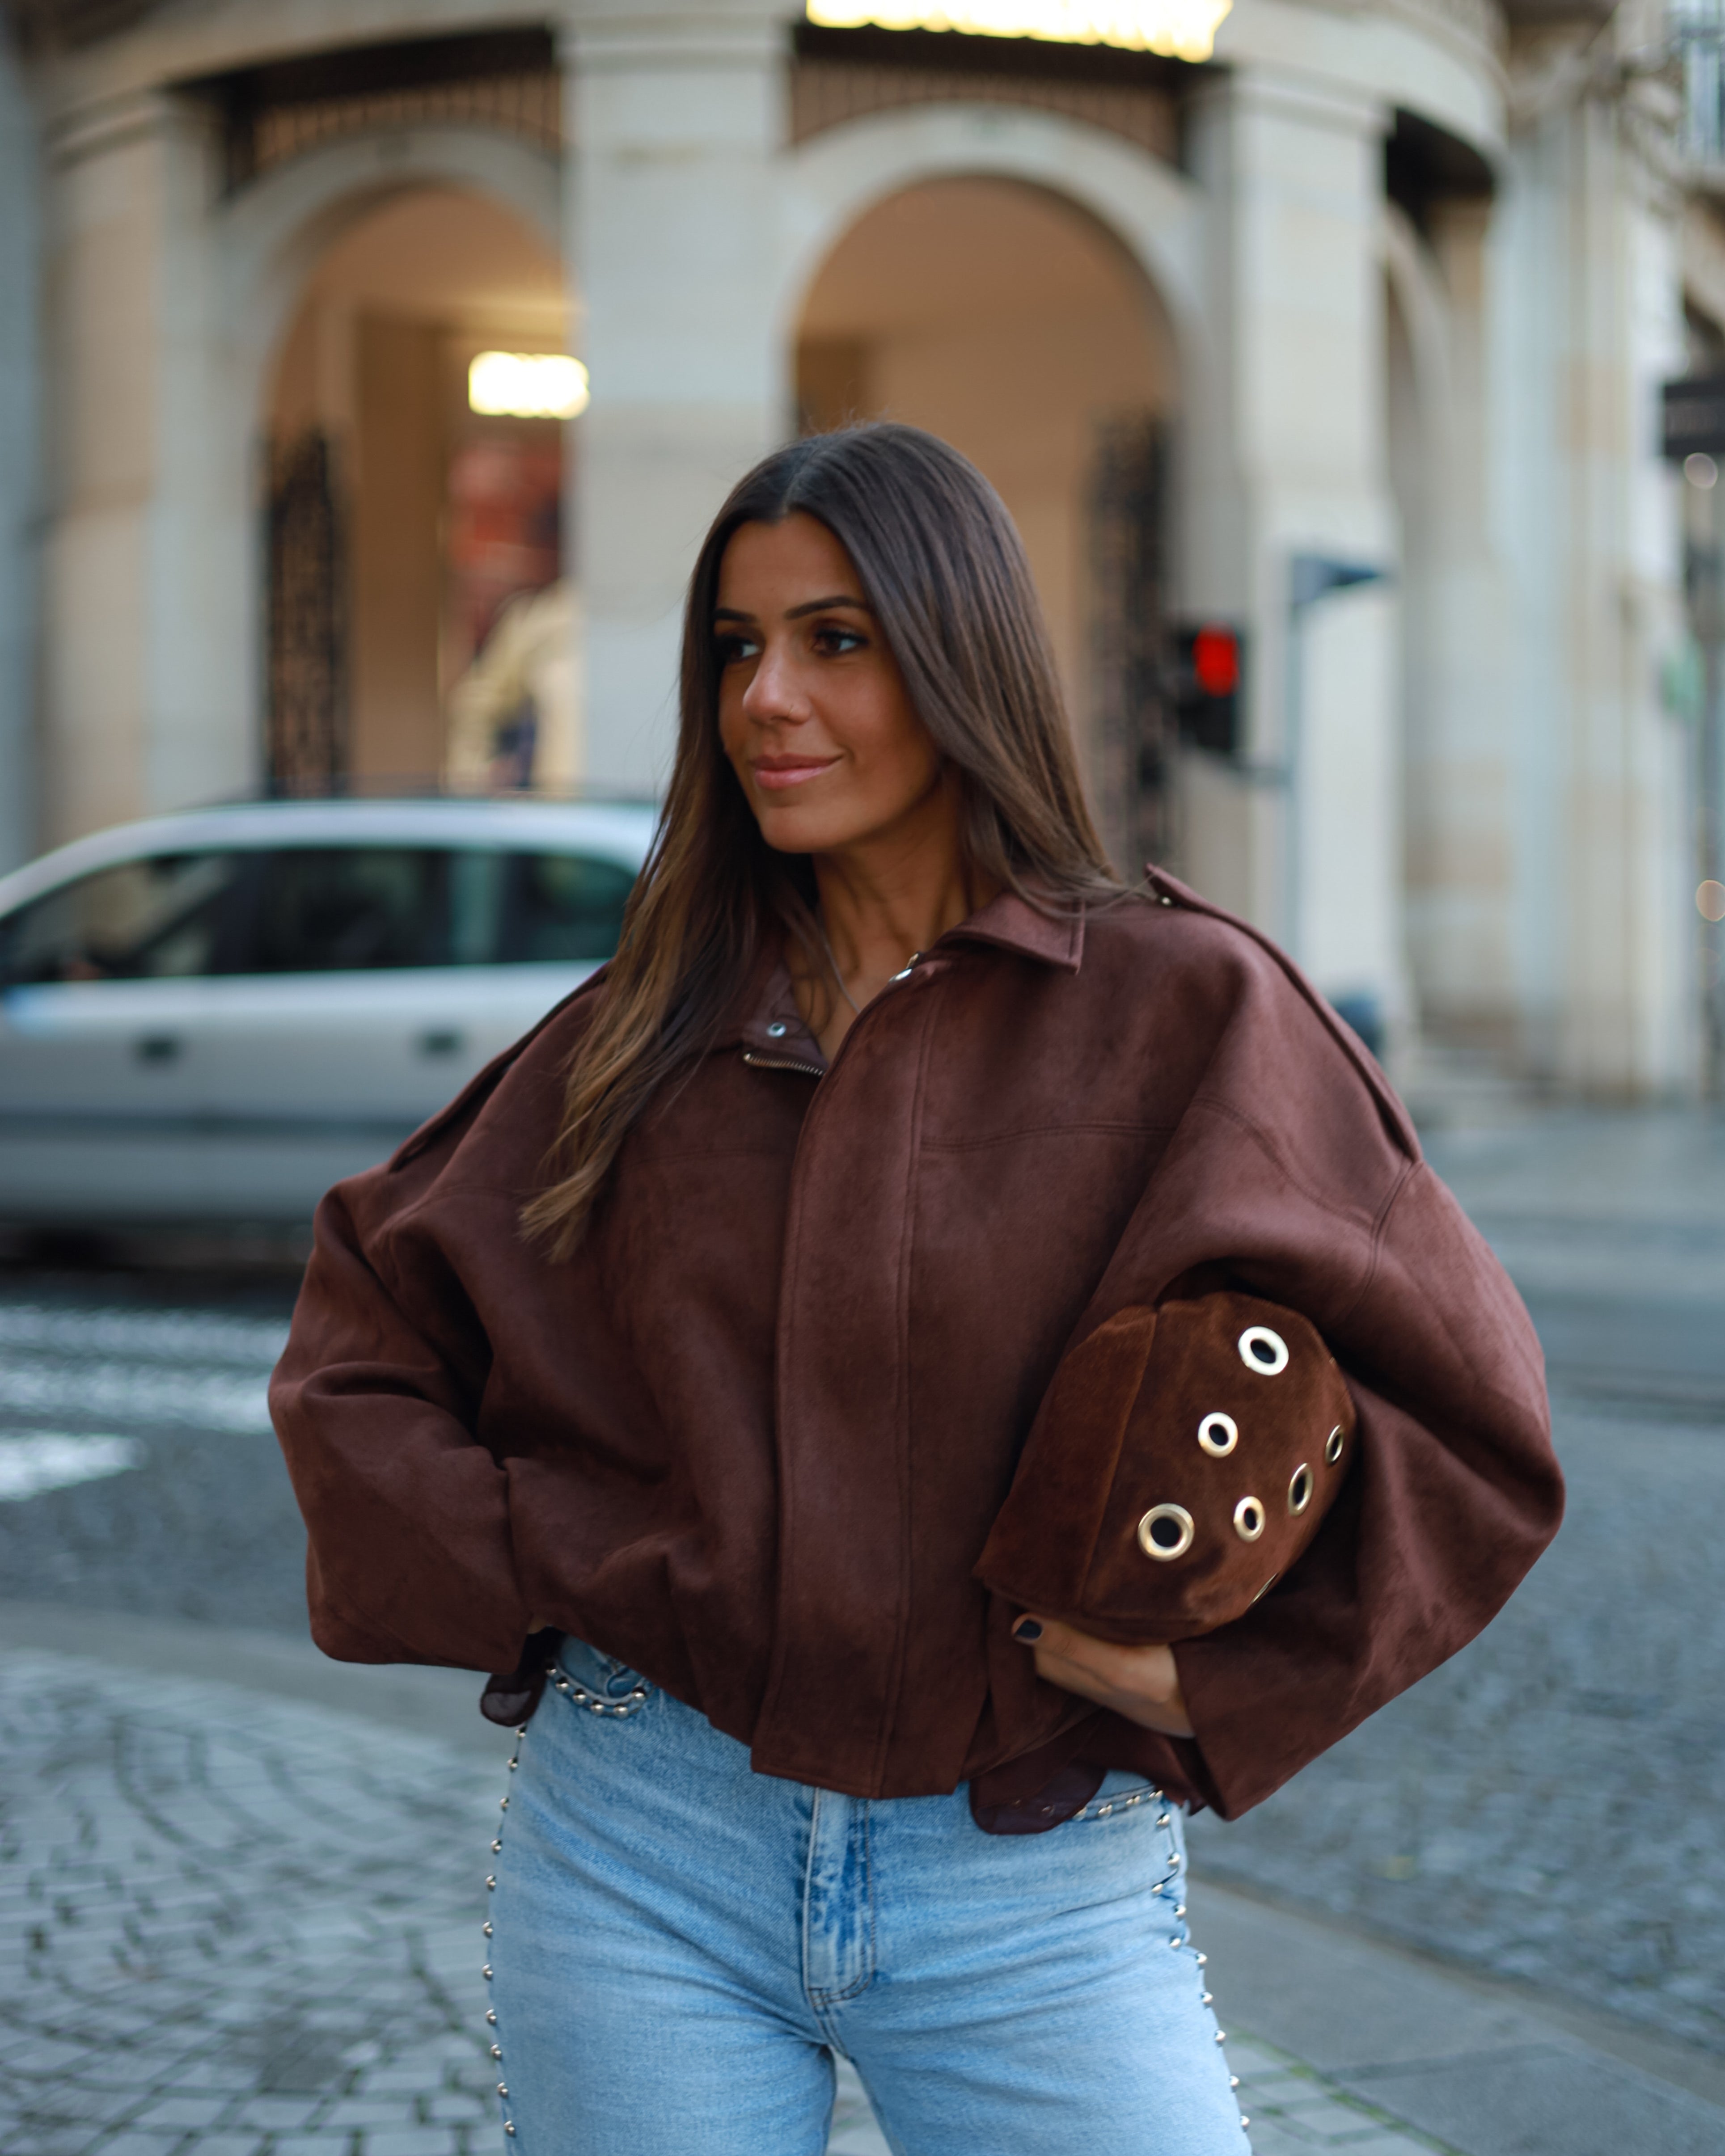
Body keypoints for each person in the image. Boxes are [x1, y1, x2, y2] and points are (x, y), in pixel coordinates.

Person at [271, 424, 1561, 2156]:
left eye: (834, 641)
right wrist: (548, 1570)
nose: (764, 703)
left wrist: (1221, 1685)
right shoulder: (645, 1031)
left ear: (957, 656)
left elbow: (1473, 1425)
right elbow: (360, 1337)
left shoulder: (1188, 1011)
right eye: (735, 649)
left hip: (1028, 1880)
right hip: (643, 1849)